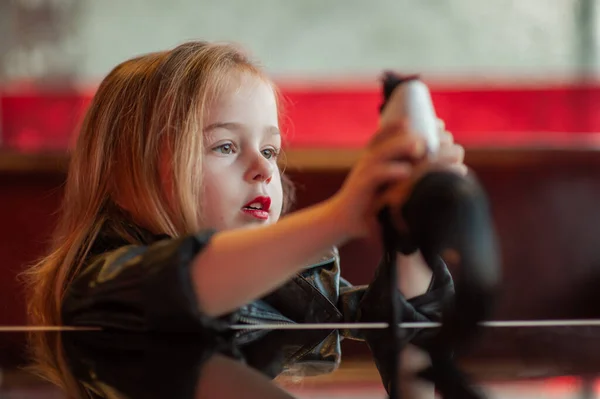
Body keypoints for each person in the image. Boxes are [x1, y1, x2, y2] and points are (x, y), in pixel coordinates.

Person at [21, 41, 464, 392]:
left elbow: (400, 317)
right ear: (123, 177)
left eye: (270, 149)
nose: (264, 168)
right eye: (226, 147)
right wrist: (341, 216)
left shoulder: (294, 287)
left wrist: (411, 231)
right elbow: (180, 285)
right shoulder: (95, 286)